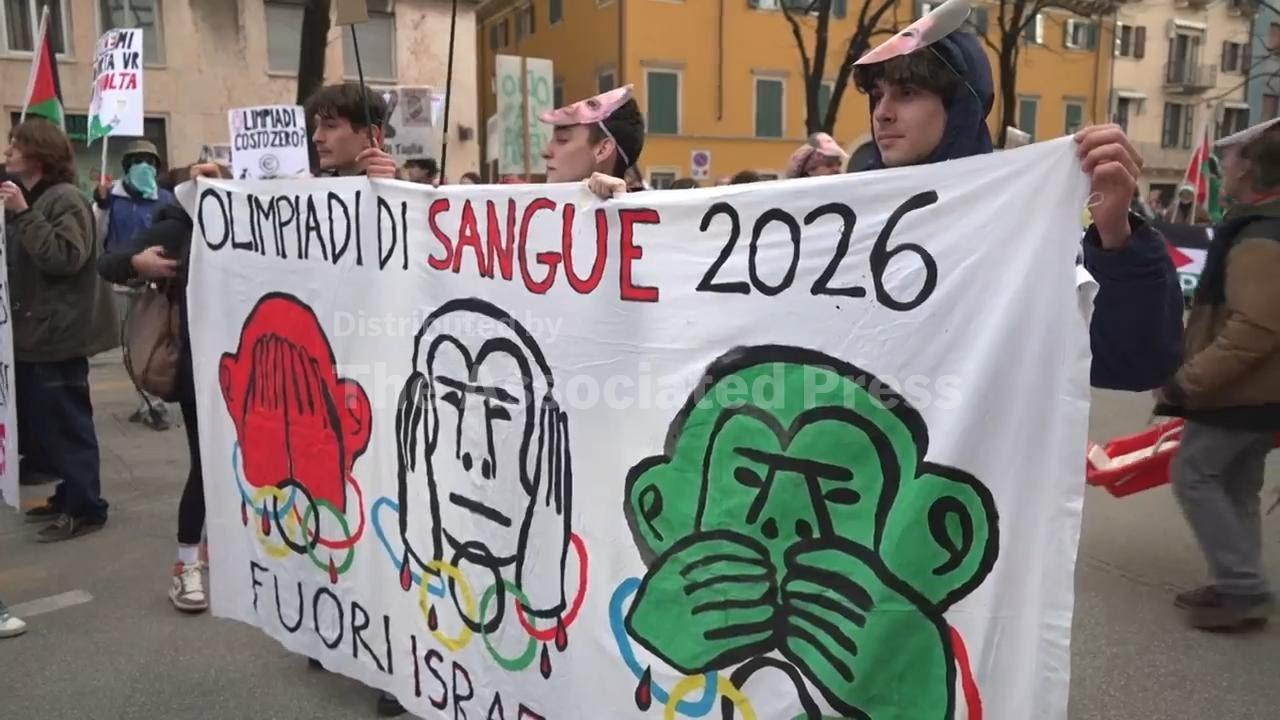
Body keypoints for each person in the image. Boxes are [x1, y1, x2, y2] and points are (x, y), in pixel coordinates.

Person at [850, 2, 1182, 392]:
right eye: (877, 95)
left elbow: (1132, 364)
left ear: (960, 106)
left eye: (907, 93)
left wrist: (1116, 237)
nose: (882, 112)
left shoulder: (1024, 222)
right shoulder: (846, 219)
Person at [1155, 118, 1280, 631]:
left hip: (1239, 393)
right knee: (1236, 483)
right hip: (1258, 392)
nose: (1221, 165)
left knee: (1195, 475)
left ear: (1248, 170)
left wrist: (1188, 380)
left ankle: (1243, 587)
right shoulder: (1259, 227)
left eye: (1229, 158)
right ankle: (1238, 578)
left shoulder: (1259, 236)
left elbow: (1255, 328)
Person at [96, 162, 226, 613]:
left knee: (248, 467)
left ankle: (224, 548)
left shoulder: (264, 223)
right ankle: (186, 565)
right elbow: (108, 261)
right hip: (201, 371)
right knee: (207, 467)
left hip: (260, 368)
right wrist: (138, 262)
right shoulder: (179, 225)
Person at [1, 118, 118, 542]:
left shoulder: (64, 199)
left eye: (16, 146)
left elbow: (64, 258)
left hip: (59, 334)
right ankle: (70, 493)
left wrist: (24, 215)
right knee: (48, 424)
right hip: (35, 332)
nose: (8, 153)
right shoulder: (35, 199)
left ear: (39, 155)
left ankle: (86, 508)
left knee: (67, 425)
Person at [95, 139, 175, 431]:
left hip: (158, 284)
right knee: (131, 345)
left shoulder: (166, 199)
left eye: (149, 161)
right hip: (122, 282)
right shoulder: (111, 198)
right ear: (127, 166)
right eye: (137, 161)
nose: (143, 166)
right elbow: (97, 234)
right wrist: (101, 204)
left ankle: (155, 404)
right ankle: (144, 400)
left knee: (154, 341)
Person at [539, 85, 646, 196]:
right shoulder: (536, 204)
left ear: (603, 149)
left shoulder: (643, 205)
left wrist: (619, 202)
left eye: (562, 139)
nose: (545, 152)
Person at [304, 83, 398, 179]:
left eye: (330, 126)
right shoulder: (314, 185)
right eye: (316, 126)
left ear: (368, 135)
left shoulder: (397, 187)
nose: (316, 137)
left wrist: (387, 185)